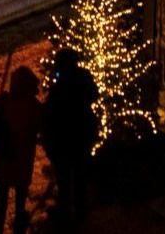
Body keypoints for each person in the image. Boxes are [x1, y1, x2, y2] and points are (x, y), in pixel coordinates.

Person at [40, 46, 99, 225]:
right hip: (83, 135)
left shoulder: (58, 90)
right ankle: (80, 210)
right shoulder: (84, 77)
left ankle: (65, 210)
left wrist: (49, 141)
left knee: (65, 179)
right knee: (80, 174)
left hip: (65, 140)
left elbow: (50, 116)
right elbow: (94, 95)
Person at [0, 64, 43, 233]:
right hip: (22, 159)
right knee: (20, 196)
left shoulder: (2, 100)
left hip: (3, 156)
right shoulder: (34, 107)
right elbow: (40, 127)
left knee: (2, 199)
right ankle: (18, 226)